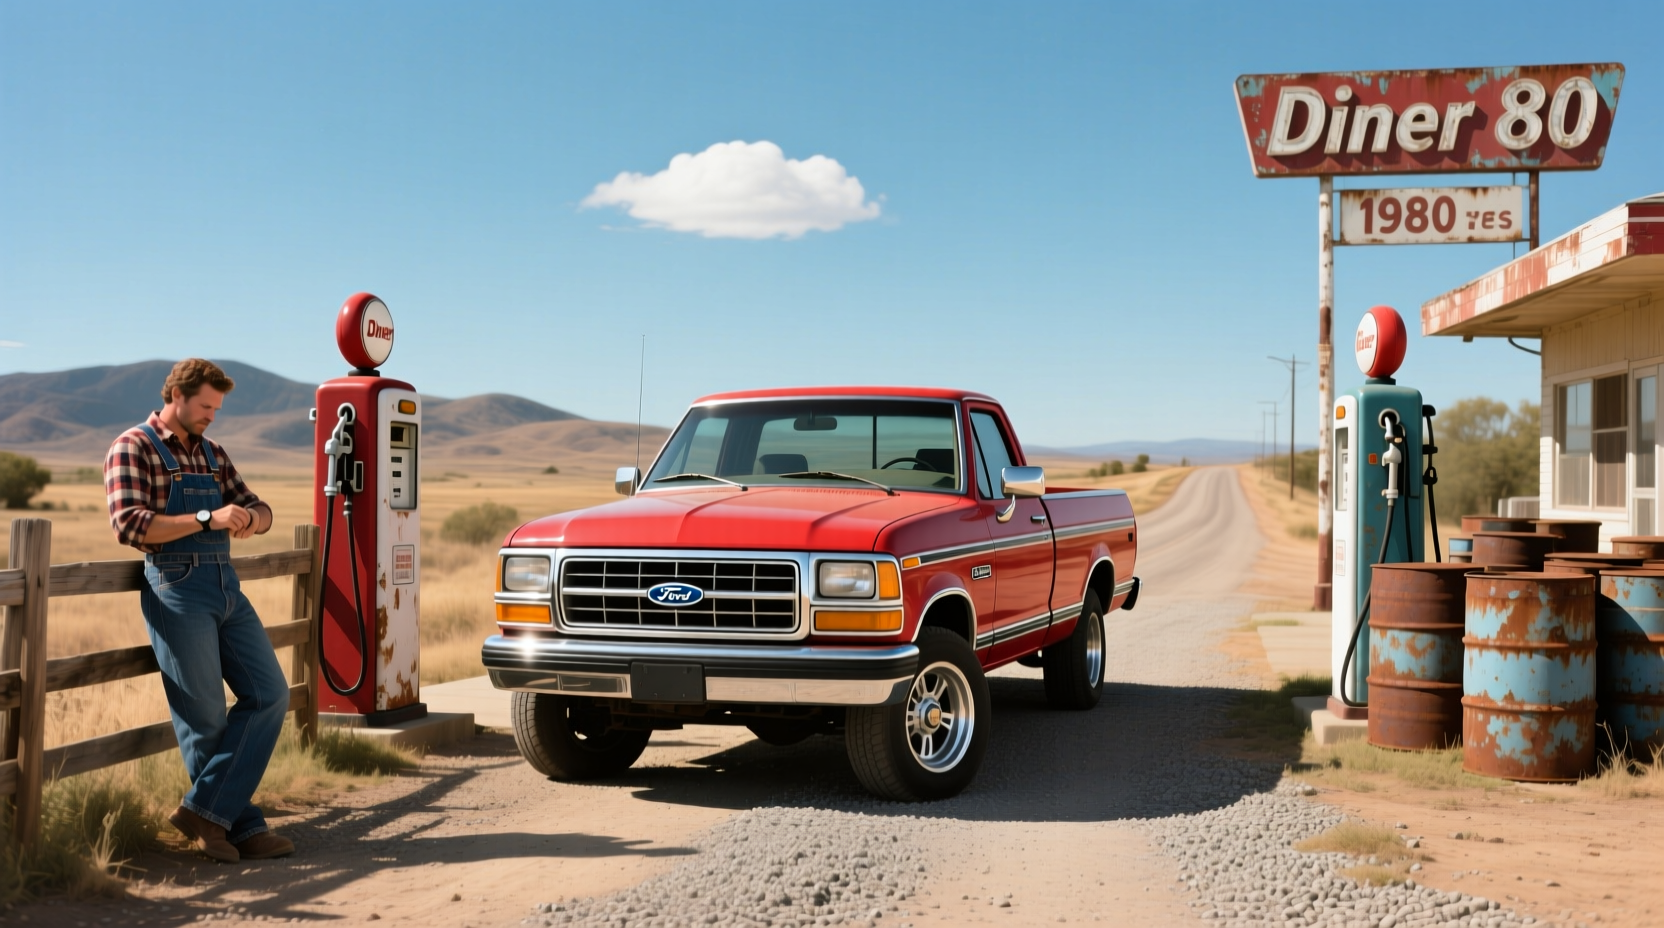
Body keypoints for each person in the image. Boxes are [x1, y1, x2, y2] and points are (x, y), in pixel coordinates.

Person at [104, 359, 294, 862]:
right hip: (176, 584)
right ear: (178, 396)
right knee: (205, 713)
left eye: (218, 407)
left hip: (226, 584)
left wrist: (253, 517)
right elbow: (130, 526)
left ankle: (202, 813)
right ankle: (241, 827)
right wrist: (209, 516)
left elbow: (261, 508)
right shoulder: (134, 446)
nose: (213, 415)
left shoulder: (213, 453)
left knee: (271, 694)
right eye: (206, 406)